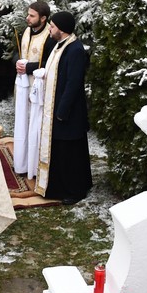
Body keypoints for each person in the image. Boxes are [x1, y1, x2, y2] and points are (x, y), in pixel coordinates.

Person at [32, 11, 91, 204]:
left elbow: (73, 83)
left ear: (62, 29)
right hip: (57, 108)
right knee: (61, 151)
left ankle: (75, 191)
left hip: (68, 112)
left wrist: (62, 111)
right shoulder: (60, 45)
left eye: (52, 26)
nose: (49, 29)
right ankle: (59, 187)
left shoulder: (75, 50)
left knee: (70, 152)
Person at [13, 1, 53, 178]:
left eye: (31, 16)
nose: (27, 18)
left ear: (43, 18)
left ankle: (35, 164)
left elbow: (50, 63)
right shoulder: (27, 31)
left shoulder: (50, 36)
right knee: (22, 123)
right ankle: (22, 162)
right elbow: (18, 51)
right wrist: (17, 61)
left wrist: (28, 67)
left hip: (38, 89)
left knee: (35, 127)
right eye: (28, 14)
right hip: (23, 85)